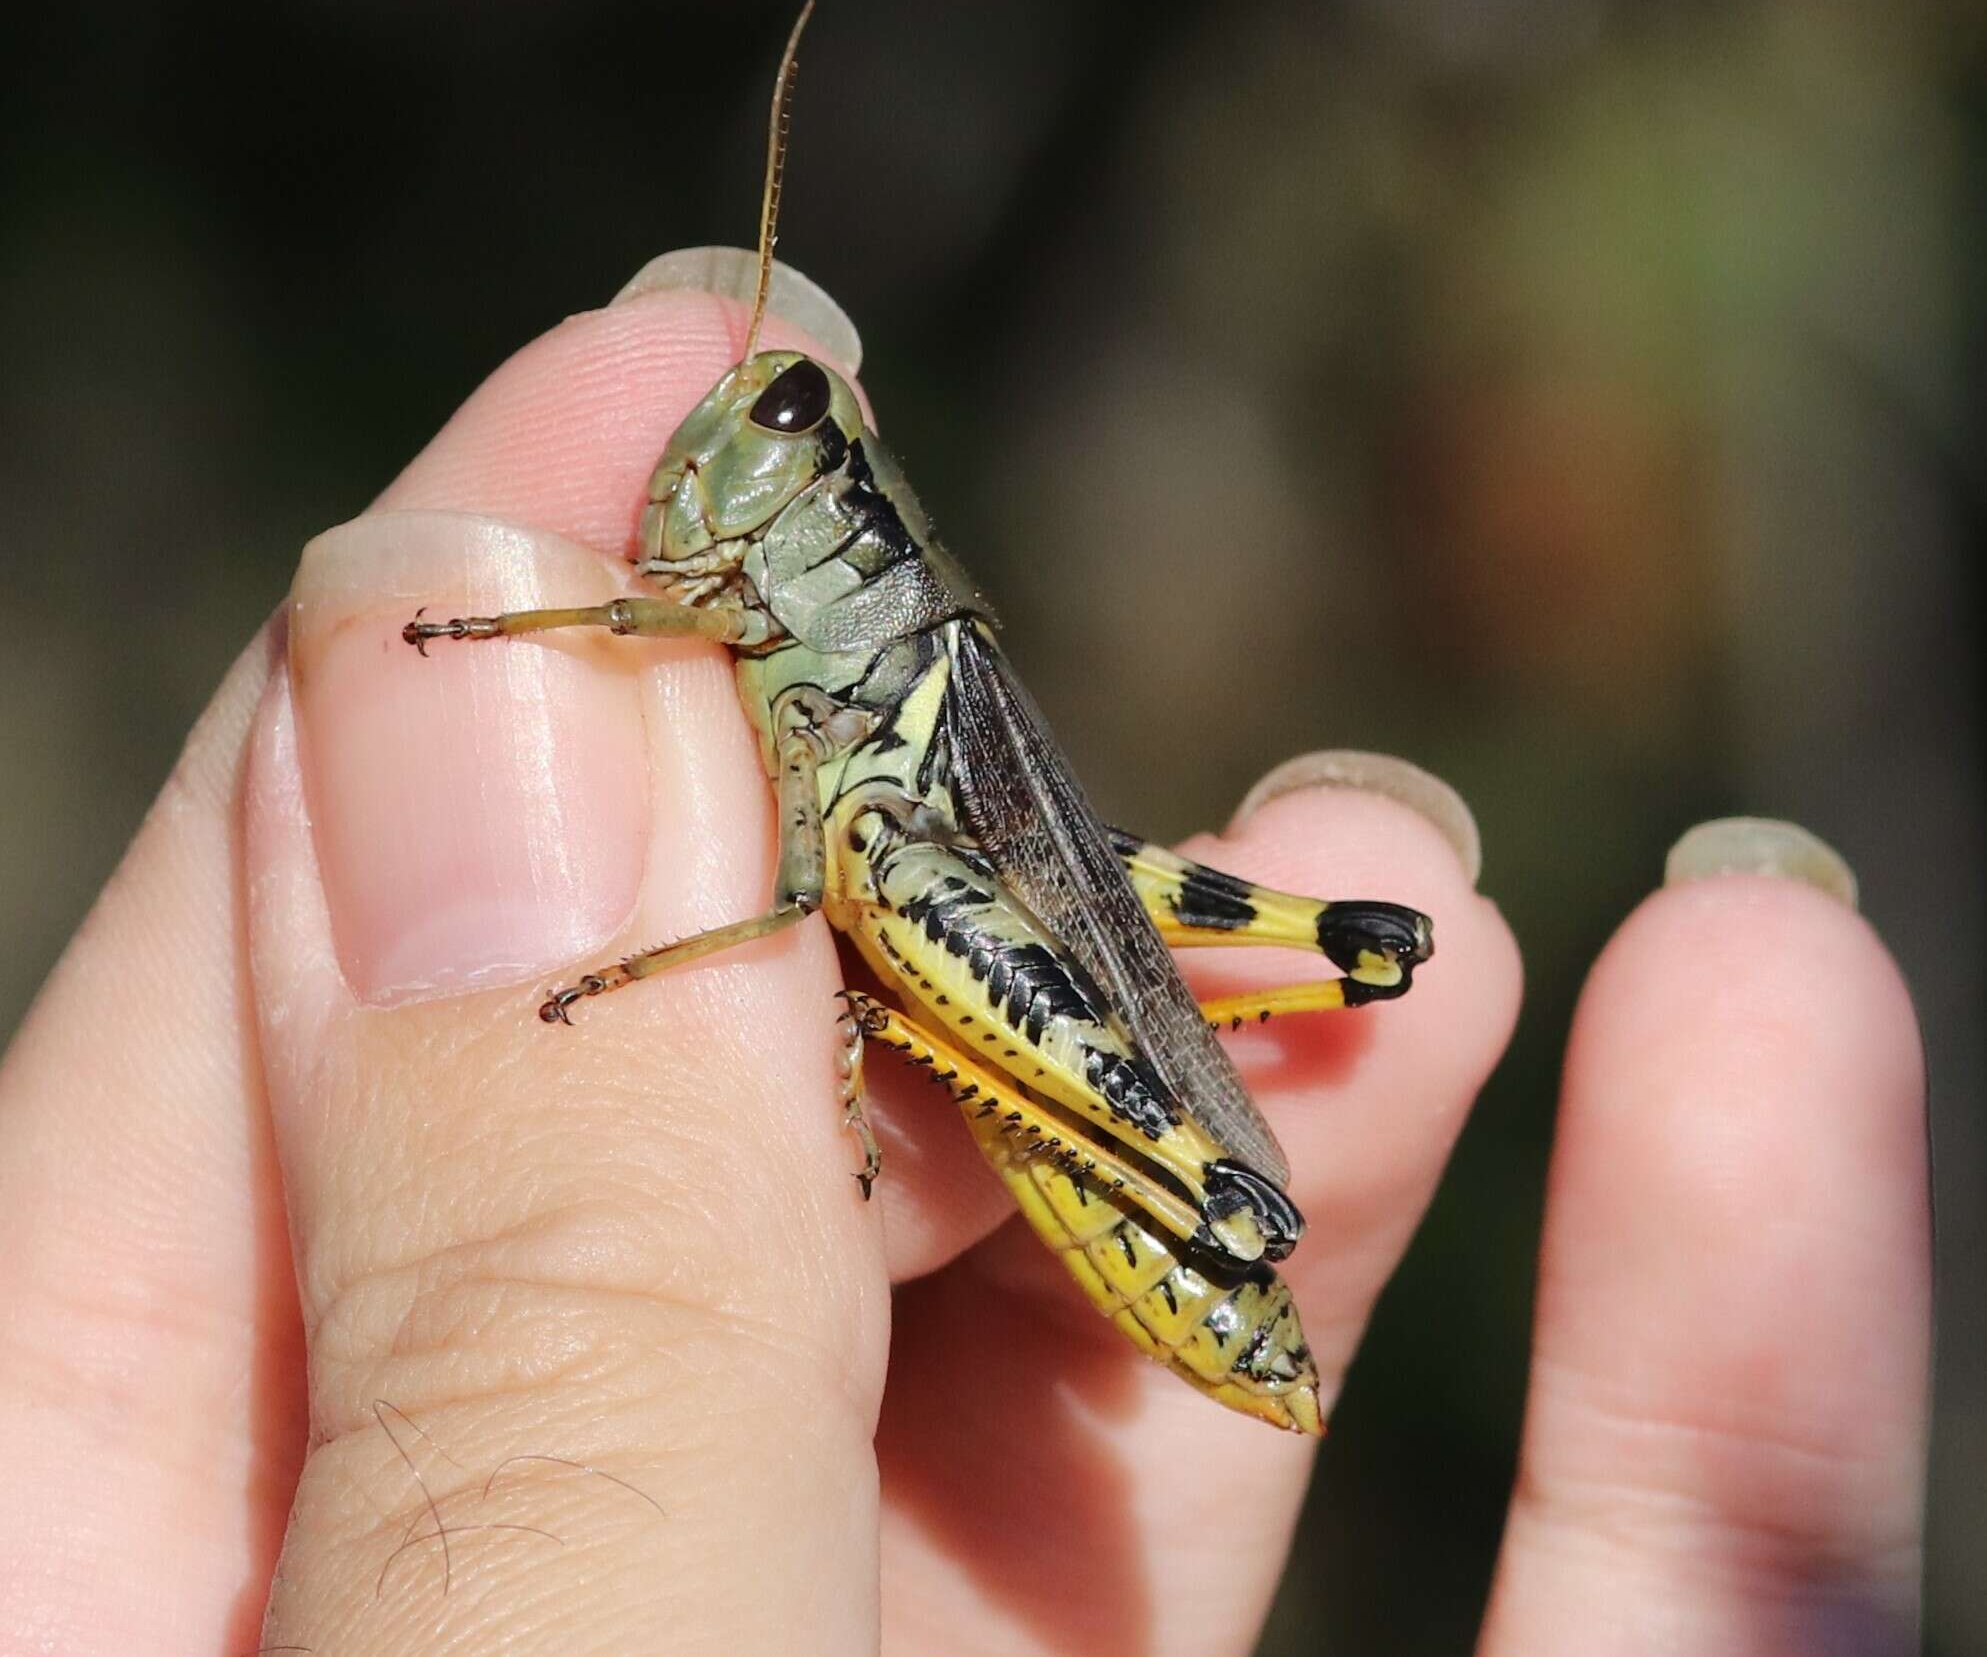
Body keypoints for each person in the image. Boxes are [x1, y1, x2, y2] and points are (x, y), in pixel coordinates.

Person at [0, 283, 1929, 1655]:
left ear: (831, 509)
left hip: (1130, 1131)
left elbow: (822, 880)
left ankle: (1201, 1177)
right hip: (980, 951)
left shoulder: (869, 654)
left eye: (774, 438)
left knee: (1247, 944)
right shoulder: (787, 619)